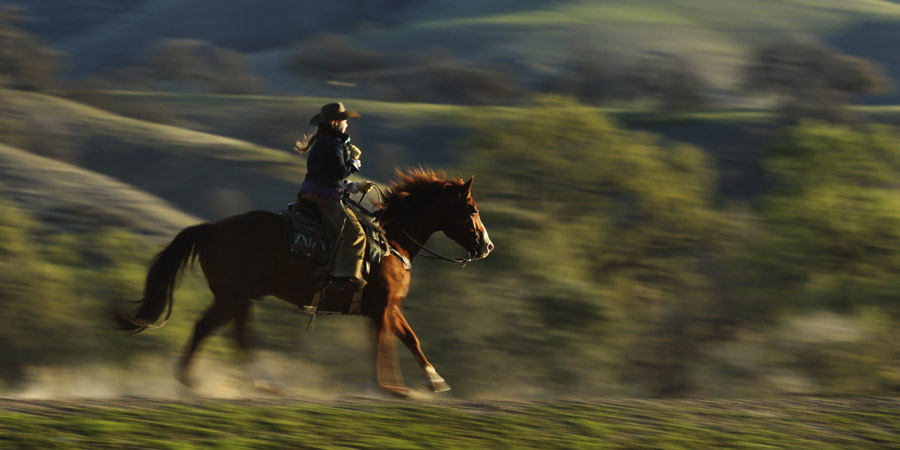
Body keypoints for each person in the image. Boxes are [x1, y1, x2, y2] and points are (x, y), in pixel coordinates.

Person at [294, 102, 374, 293]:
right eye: (345, 121)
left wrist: (354, 187)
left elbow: (328, 178)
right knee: (355, 234)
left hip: (313, 194)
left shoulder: (324, 141)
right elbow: (339, 172)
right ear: (337, 122)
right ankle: (343, 279)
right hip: (325, 200)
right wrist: (353, 162)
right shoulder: (333, 142)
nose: (347, 124)